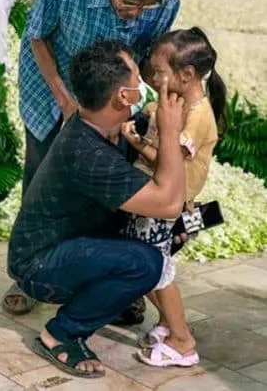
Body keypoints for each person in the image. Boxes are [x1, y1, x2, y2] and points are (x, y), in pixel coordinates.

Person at [2, 0, 180, 319]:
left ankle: (110, 280)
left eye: (145, 7)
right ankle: (32, 271)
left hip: (116, 98)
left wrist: (150, 99)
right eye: (127, 4)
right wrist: (65, 100)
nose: (136, 14)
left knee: (116, 187)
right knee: (43, 176)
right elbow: (37, 36)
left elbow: (148, 55)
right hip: (54, 88)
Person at [8, 39, 187, 378]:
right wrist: (170, 129)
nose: (144, 83)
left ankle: (104, 302)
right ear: (123, 96)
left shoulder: (102, 126)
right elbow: (168, 204)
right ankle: (62, 333)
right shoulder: (88, 153)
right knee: (145, 264)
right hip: (38, 264)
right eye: (138, 77)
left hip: (66, 243)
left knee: (146, 244)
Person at [120, 27, 227, 368]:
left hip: (164, 202)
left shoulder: (198, 117)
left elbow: (171, 166)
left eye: (159, 72)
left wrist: (138, 143)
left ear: (187, 74)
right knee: (146, 268)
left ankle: (182, 341)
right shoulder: (177, 101)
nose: (153, 77)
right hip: (154, 197)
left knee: (157, 272)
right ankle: (169, 325)